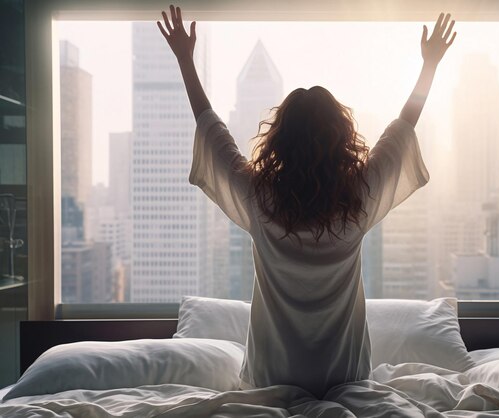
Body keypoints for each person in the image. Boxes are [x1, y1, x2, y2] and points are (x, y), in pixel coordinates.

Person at [157, 6, 456, 399]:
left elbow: (211, 127)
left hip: (270, 376)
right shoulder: (359, 196)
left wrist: (185, 60)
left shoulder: (258, 196)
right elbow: (403, 126)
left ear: (279, 139)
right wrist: (429, 65)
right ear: (342, 136)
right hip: (345, 377)